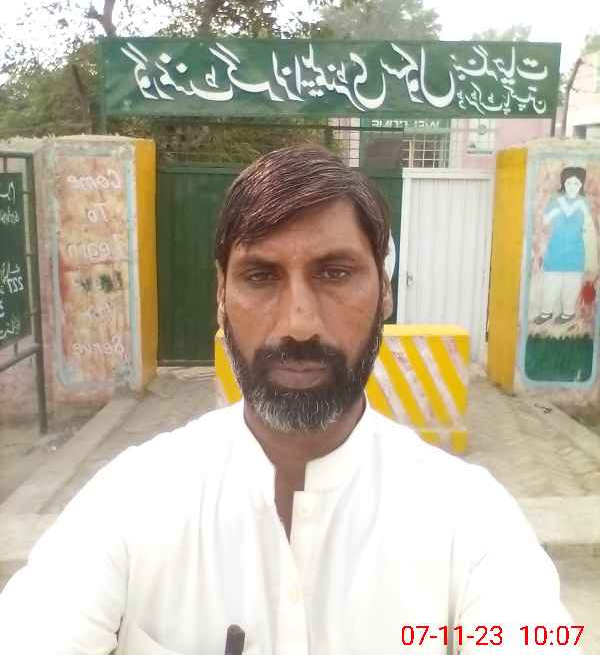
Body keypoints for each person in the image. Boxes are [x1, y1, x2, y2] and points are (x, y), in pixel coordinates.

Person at [0, 145, 573, 654]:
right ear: (221, 295)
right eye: (260, 277)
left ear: (384, 292)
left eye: (335, 273)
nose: (299, 324)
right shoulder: (129, 501)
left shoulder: (471, 520)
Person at [534, 166, 598, 326]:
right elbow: (545, 221)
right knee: (551, 281)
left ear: (581, 185)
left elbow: (589, 228)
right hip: (555, 249)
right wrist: (553, 214)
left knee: (572, 283)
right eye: (569, 183)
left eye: (576, 183)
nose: (572, 186)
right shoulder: (556, 201)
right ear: (564, 183)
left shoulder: (583, 204)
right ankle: (546, 312)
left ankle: (568, 313)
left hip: (576, 251)